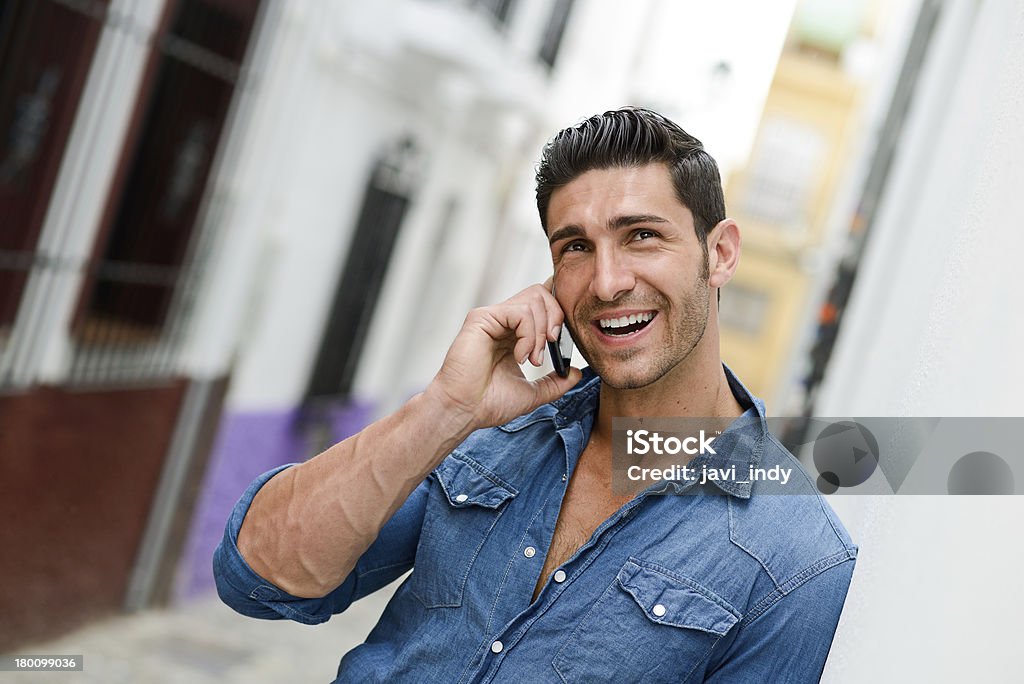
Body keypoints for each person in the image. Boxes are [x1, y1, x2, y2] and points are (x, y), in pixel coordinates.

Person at [214, 107, 857, 683]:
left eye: (642, 235)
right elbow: (260, 577)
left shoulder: (795, 560)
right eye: (576, 247)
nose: (606, 283)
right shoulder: (485, 438)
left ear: (719, 254)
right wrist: (445, 408)